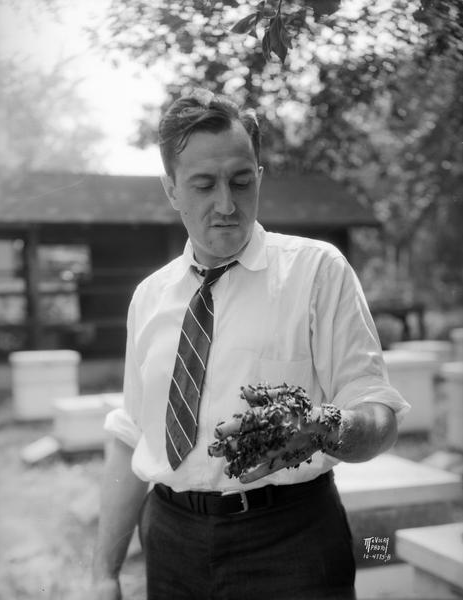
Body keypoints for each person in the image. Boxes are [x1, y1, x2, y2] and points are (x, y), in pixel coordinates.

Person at [91, 89, 410, 600]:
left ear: (258, 177)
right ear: (171, 190)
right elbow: (132, 436)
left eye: (241, 181)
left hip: (292, 541)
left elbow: (379, 415)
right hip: (170, 541)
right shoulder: (148, 297)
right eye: (203, 185)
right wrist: (103, 574)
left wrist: (325, 426)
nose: (226, 204)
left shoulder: (317, 271)